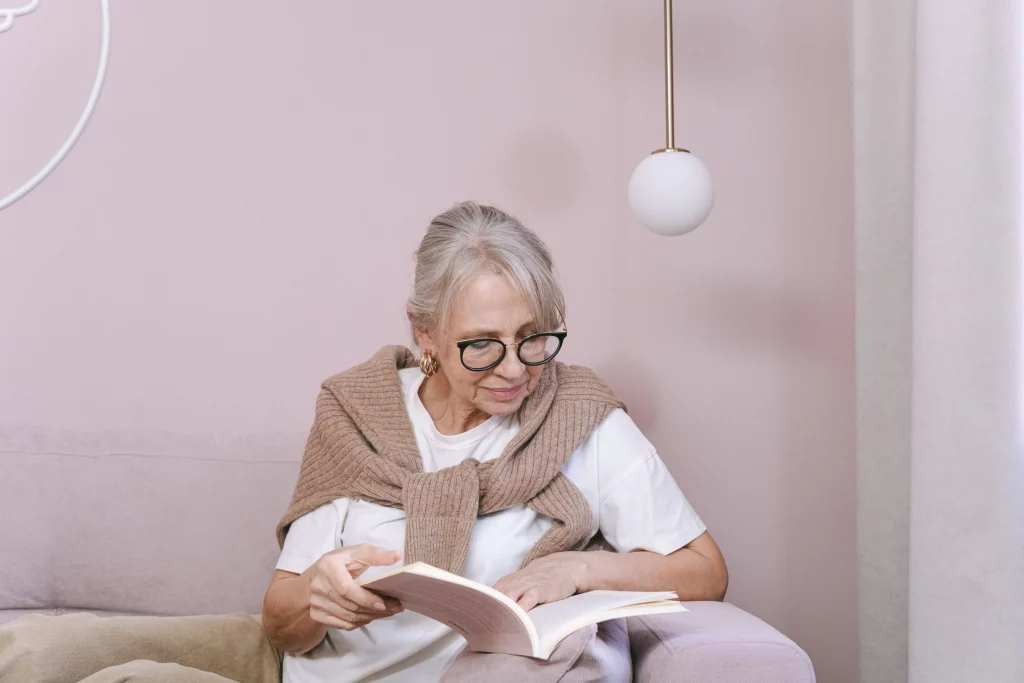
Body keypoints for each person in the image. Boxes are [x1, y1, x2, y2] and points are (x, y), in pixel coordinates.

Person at [261, 201, 728, 683]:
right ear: (425, 332)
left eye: (532, 337)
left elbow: (705, 571)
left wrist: (575, 570)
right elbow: (281, 627)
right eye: (481, 344)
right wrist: (318, 594)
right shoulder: (355, 412)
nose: (514, 369)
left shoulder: (580, 415)